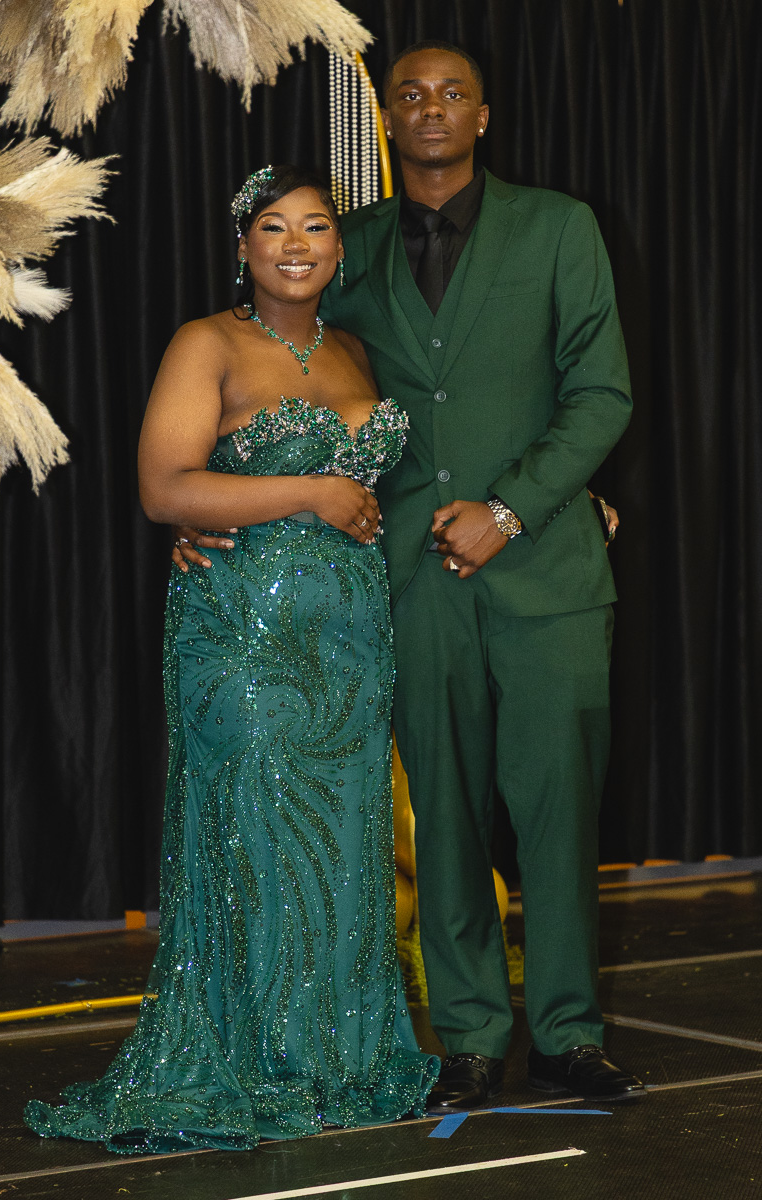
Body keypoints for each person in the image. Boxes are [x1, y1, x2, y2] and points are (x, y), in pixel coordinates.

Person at [176, 41, 643, 1111]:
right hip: (405, 582)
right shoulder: (355, 247)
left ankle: (569, 1033)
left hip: (547, 575)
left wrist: (512, 506)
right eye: (409, 95)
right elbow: (281, 365)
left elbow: (601, 395)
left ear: (482, 114)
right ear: (384, 119)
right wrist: (211, 507)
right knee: (443, 815)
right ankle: (471, 1032)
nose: (429, 108)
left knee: (559, 811)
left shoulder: (559, 227)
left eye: (451, 94)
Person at [24, 165, 439, 1154]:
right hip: (239, 638)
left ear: (340, 249)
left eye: (315, 226)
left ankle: (333, 1063)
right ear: (243, 246)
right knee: (254, 840)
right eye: (272, 227)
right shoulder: (205, 342)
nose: (295, 242)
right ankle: (250, 1061)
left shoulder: (352, 351)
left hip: (347, 645)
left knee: (340, 850)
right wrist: (304, 498)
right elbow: (166, 489)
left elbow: (365, 492)